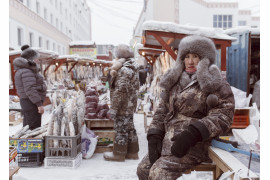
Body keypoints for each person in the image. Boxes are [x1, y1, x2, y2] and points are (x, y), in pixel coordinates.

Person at [137, 35, 235, 179]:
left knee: (159, 174)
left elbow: (223, 115)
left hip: (195, 144)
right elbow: (162, 110)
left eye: (195, 56)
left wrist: (194, 133)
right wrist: (155, 134)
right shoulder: (174, 82)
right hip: (168, 141)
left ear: (205, 59)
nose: (190, 61)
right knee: (143, 170)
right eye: (186, 56)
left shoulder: (215, 83)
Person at [103, 44, 140, 161]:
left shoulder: (124, 70)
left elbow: (120, 90)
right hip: (129, 104)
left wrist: (113, 109)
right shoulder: (131, 68)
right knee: (129, 128)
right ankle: (132, 152)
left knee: (121, 129)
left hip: (123, 105)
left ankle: (119, 154)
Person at [14, 45, 47, 130]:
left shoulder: (26, 70)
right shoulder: (27, 71)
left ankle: (27, 143)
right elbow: (30, 90)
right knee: (33, 128)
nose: (38, 60)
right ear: (31, 59)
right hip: (31, 103)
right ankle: (31, 143)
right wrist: (39, 105)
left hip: (29, 102)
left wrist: (41, 87)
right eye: (36, 58)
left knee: (29, 128)